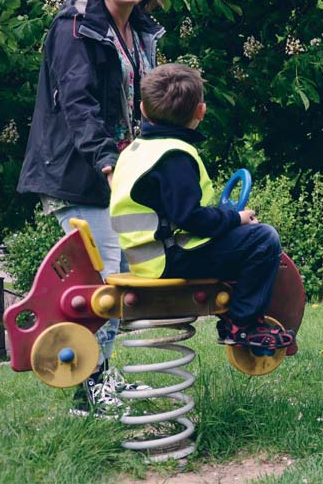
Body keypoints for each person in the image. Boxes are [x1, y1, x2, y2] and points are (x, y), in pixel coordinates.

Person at [17, 0, 164, 417]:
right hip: (82, 174)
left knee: (117, 280)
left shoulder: (141, 33)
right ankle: (90, 389)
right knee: (106, 281)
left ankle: (102, 377)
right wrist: (108, 162)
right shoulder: (75, 27)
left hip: (119, 177)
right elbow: (77, 104)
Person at [109, 64, 294, 352]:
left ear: (143, 109)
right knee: (262, 239)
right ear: (201, 112)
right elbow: (191, 218)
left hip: (144, 256)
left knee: (239, 237)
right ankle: (243, 324)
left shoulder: (134, 151)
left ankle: (236, 312)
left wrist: (226, 221)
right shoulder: (174, 156)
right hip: (168, 260)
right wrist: (235, 218)